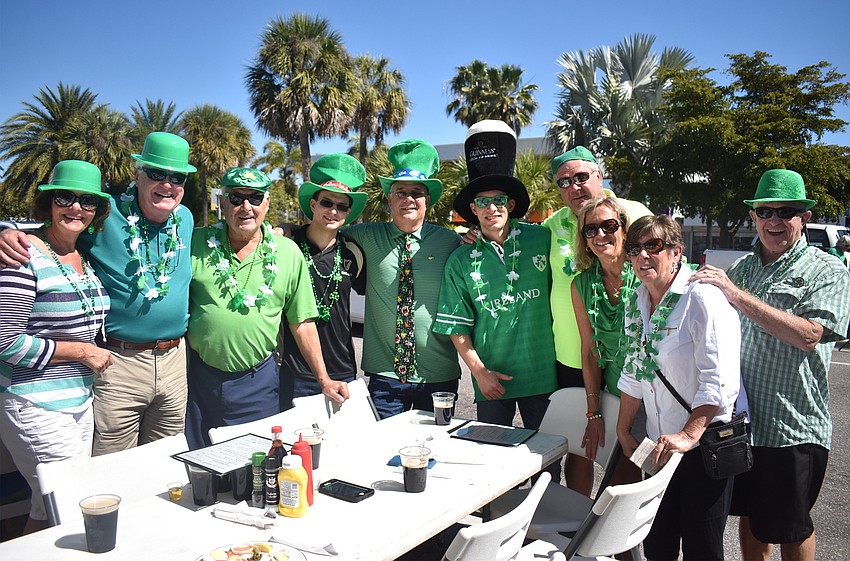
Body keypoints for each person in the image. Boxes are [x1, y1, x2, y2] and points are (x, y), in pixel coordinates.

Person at [0, 132, 196, 456]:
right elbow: (60, 232)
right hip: (118, 362)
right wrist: (10, 235)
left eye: (177, 177)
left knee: (166, 462)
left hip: (175, 361)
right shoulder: (107, 214)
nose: (168, 184)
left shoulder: (185, 218)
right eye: (157, 174)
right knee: (111, 466)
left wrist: (277, 231)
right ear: (139, 173)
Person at [691, 169, 850, 561]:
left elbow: (809, 334)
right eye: (766, 211)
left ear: (804, 218)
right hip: (743, 425)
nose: (775, 221)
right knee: (751, 519)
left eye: (787, 212)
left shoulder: (826, 270)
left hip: (791, 428)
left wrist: (736, 294)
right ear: (753, 217)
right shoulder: (744, 268)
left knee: (792, 528)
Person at [184, 167, 345, 449]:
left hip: (257, 383)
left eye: (255, 198)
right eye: (236, 198)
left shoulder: (287, 252)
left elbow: (302, 323)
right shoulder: (196, 243)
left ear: (266, 204)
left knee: (255, 465)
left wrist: (324, 379)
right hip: (199, 382)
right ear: (222, 202)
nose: (245, 207)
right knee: (201, 467)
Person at [617, 214, 742, 561]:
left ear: (676, 251)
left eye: (653, 246)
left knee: (702, 546)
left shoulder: (701, 298)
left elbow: (718, 379)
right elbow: (634, 370)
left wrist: (688, 436)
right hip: (659, 445)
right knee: (657, 542)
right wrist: (623, 427)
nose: (642, 256)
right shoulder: (638, 300)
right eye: (634, 248)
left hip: (702, 445)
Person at [0, 160, 112, 533]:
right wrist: (82, 351)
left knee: (46, 504)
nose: (76, 207)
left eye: (88, 201)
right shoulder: (21, 256)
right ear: (48, 202)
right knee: (68, 498)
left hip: (78, 400)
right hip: (35, 402)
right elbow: (6, 342)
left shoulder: (82, 255)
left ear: (97, 210)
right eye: (65, 197)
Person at [435, 120, 557, 429]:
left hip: (543, 377)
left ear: (511, 204)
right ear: (473, 210)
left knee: (548, 461)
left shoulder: (542, 239)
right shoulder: (460, 259)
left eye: (499, 199)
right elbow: (456, 326)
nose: (492, 208)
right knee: (493, 459)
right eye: (483, 202)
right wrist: (479, 372)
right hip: (491, 381)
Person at [544, 146, 652, 495]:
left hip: (642, 372)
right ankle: (580, 524)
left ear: (599, 177)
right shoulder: (549, 226)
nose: (574, 186)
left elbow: (670, 262)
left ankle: (625, 533)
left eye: (581, 177)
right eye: (564, 182)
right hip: (576, 358)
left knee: (633, 455)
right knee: (583, 446)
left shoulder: (635, 212)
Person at [344, 140, 461, 418]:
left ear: (427, 200)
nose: (409, 198)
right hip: (385, 377)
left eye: (417, 193)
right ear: (389, 198)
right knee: (384, 453)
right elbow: (322, 233)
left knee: (435, 450)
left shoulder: (451, 242)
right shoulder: (363, 236)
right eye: (401, 192)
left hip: (438, 375)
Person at [279, 154, 367, 408]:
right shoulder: (288, 245)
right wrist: (281, 228)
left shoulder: (353, 253)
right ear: (313, 204)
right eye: (327, 203)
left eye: (341, 207)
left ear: (348, 213)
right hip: (294, 371)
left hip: (343, 371)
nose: (333, 211)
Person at [571, 197, 642, 484]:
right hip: (618, 396)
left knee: (661, 492)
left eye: (609, 225)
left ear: (624, 230)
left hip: (657, 397)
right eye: (591, 230)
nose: (601, 235)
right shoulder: (581, 285)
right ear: (585, 240)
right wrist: (593, 411)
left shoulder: (644, 271)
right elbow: (589, 352)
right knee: (620, 486)